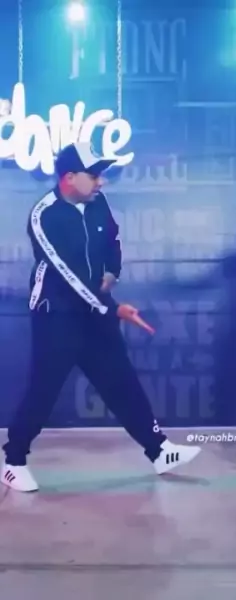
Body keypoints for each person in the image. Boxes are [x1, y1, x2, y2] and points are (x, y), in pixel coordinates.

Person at [1, 142, 201, 493]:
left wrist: (112, 272)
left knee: (120, 379)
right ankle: (13, 461)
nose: (101, 182)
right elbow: (69, 276)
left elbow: (112, 240)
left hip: (96, 308)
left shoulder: (97, 202)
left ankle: (159, 451)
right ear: (69, 177)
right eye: (94, 175)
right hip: (57, 313)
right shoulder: (43, 216)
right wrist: (113, 308)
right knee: (44, 390)